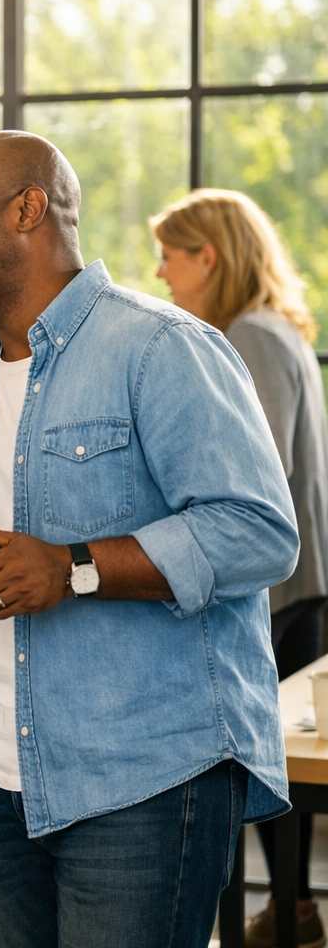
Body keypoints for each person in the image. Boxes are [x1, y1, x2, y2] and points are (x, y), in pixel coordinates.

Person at [0, 132, 296, 947]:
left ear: (27, 208)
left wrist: (74, 568)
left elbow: (259, 533)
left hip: (145, 780)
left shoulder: (161, 349)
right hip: (2, 779)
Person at [151, 188, 328, 948]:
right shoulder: (275, 328)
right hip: (300, 581)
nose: (160, 275)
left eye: (168, 257)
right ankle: (290, 911)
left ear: (208, 257)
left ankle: (285, 917)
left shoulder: (249, 337)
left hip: (274, 587)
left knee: (262, 770)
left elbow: (255, 478)